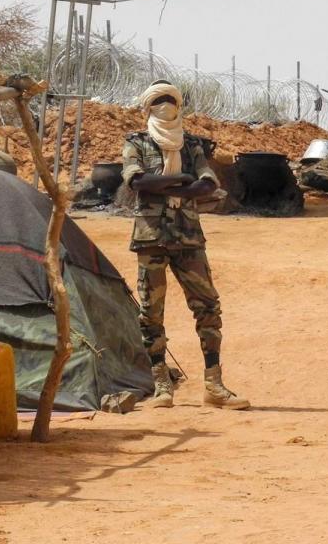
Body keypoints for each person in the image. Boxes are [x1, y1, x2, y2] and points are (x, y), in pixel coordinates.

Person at [121, 81, 250, 410]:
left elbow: (207, 184)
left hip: (188, 237)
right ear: (148, 107)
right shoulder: (136, 142)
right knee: (151, 312)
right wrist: (182, 182)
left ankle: (214, 385)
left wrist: (166, 186)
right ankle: (162, 385)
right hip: (151, 237)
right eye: (158, 100)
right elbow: (137, 181)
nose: (165, 105)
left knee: (208, 307)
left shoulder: (191, 145)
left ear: (179, 105)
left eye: (170, 99)